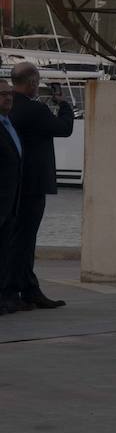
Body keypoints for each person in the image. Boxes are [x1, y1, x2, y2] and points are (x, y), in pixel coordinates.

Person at [8, 62, 74, 310]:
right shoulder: (35, 110)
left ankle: (26, 288)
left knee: (17, 238)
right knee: (25, 240)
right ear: (33, 82)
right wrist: (63, 104)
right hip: (33, 184)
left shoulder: (10, 107)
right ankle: (21, 290)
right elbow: (64, 128)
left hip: (14, 183)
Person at [0, 78, 23, 315]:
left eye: (10, 94)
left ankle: (4, 296)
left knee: (5, 252)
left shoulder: (9, 124)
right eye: (3, 94)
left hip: (10, 204)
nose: (8, 98)